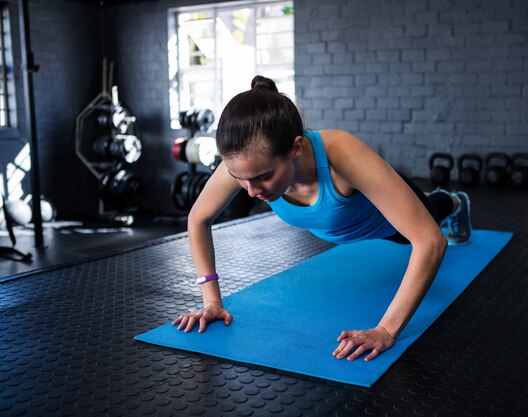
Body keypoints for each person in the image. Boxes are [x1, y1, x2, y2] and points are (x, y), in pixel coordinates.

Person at [172, 75, 472, 362]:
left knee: (426, 220)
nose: (251, 192)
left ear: (296, 148)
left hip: (386, 219)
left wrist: (385, 330)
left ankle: (455, 202)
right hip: (350, 226)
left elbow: (430, 241)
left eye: (264, 177)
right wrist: (211, 301)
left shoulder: (340, 153)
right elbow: (198, 218)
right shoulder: (246, 161)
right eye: (240, 179)